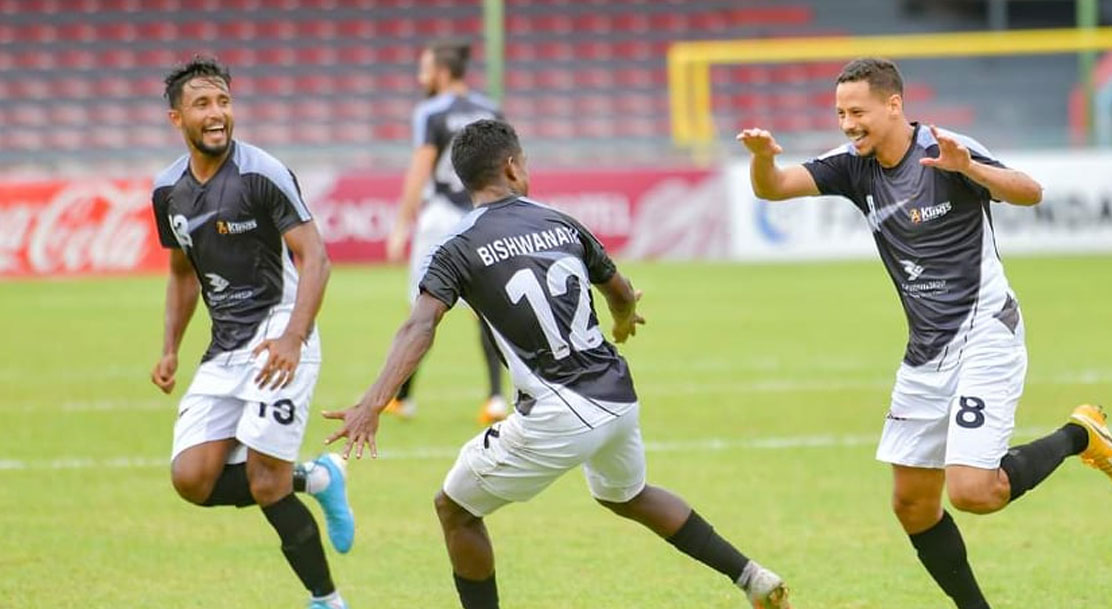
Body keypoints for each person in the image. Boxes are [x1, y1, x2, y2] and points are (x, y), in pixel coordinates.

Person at [325, 120, 791, 609]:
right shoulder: (561, 221)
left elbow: (420, 324)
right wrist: (623, 321)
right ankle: (753, 578)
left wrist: (373, 402)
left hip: (558, 411)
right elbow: (620, 290)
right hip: (617, 394)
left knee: (455, 509)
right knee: (627, 495)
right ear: (512, 167)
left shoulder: (456, 246)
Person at [737, 57, 1112, 609]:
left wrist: (970, 169)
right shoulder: (852, 166)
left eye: (857, 112)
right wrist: (763, 159)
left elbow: (1029, 191)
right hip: (926, 351)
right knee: (912, 506)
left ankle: (1079, 436)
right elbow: (774, 188)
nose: (848, 124)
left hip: (985, 332)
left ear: (893, 105)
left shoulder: (945, 149)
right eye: (840, 114)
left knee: (973, 492)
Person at [149, 56, 354, 609]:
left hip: (279, 334)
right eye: (202, 104)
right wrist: (170, 348)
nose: (217, 113)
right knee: (192, 479)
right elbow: (181, 272)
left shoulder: (262, 173)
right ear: (177, 119)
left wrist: (294, 337)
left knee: (266, 482)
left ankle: (327, 600)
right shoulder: (168, 190)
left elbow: (316, 258)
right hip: (225, 346)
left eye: (223, 101)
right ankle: (317, 479)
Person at [383, 39, 507, 424]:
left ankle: (403, 398)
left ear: (441, 72)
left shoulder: (430, 112)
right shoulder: (489, 109)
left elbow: (420, 169)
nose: (421, 78)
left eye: (424, 70)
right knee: (487, 308)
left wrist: (401, 224)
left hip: (440, 216)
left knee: (423, 305)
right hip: (480, 214)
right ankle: (496, 399)